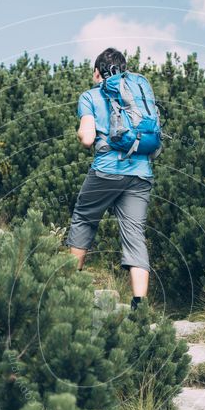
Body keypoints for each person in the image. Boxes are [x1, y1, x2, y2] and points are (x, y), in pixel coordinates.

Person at [65, 47, 159, 310]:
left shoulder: (90, 96)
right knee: (134, 233)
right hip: (141, 173)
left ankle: (71, 293)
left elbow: (87, 139)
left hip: (107, 170)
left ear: (97, 73)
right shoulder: (138, 93)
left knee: (84, 218)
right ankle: (139, 304)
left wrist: (80, 132)